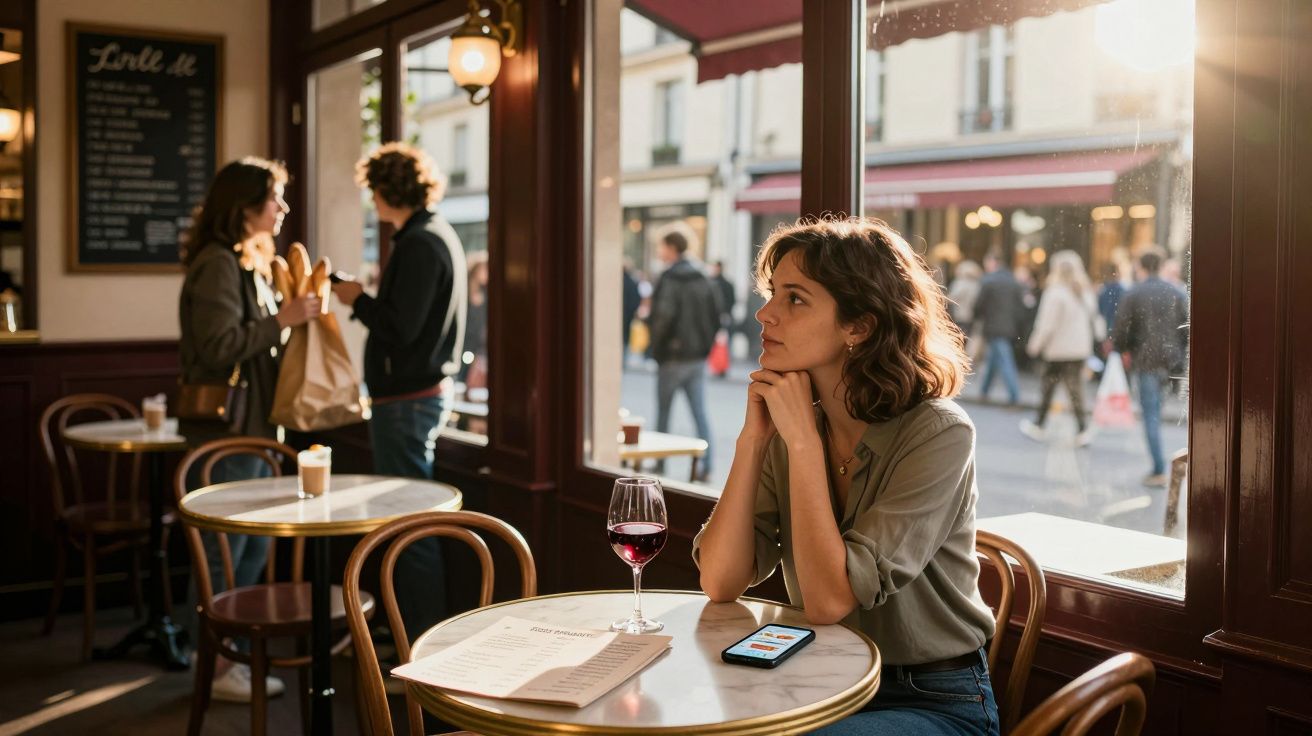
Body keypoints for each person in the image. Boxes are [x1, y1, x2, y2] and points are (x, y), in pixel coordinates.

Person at [695, 217, 999, 736]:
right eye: (772, 294)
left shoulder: (939, 433)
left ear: (858, 326)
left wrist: (802, 445)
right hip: (817, 677)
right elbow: (721, 581)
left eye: (794, 299)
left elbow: (829, 601)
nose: (764, 314)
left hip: (929, 695)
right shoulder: (797, 424)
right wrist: (753, 441)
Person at [178, 156, 322, 702]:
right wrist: (283, 321)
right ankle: (215, 668)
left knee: (246, 553)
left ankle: (224, 659)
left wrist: (285, 322)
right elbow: (217, 347)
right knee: (224, 555)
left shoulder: (243, 262)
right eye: (274, 198)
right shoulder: (218, 264)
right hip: (226, 436)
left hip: (252, 432)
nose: (283, 207)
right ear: (243, 206)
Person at [331, 142, 467, 637]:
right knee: (413, 521)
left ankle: (422, 641)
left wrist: (356, 299)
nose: (372, 201)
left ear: (389, 189)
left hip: (406, 401)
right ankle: (415, 633)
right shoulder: (436, 234)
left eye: (374, 190)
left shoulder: (419, 242)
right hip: (416, 396)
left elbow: (401, 327)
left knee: (412, 526)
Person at [1112, 248, 1188, 488]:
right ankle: (1159, 465)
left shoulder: (1134, 293)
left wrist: (1121, 349)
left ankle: (1158, 468)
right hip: (1170, 362)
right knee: (1157, 410)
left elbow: (1121, 329)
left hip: (1146, 361)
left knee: (1151, 416)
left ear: (1141, 267)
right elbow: (1186, 329)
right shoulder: (1175, 292)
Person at [649, 229, 721, 481]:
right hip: (697, 358)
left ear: (671, 248)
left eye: (662, 246)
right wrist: (705, 347)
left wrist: (656, 350)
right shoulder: (703, 277)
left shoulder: (670, 278)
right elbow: (716, 317)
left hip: (672, 357)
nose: (660, 252)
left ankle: (658, 466)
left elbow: (663, 318)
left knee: (664, 413)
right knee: (700, 412)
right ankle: (707, 466)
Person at [1019, 251, 1100, 447]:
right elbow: (1095, 320)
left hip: (1058, 350)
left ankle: (1040, 425)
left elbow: (1047, 324)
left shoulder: (1055, 292)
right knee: (1075, 390)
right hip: (1079, 349)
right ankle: (1081, 429)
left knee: (1048, 387)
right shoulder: (1085, 291)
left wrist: (1034, 345)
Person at [972, 253, 1027, 405]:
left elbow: (978, 306)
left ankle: (1014, 396)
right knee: (994, 360)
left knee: (1004, 360)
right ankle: (984, 392)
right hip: (1009, 327)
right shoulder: (1013, 281)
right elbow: (1020, 308)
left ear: (991, 262)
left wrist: (977, 319)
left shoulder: (989, 281)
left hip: (993, 326)